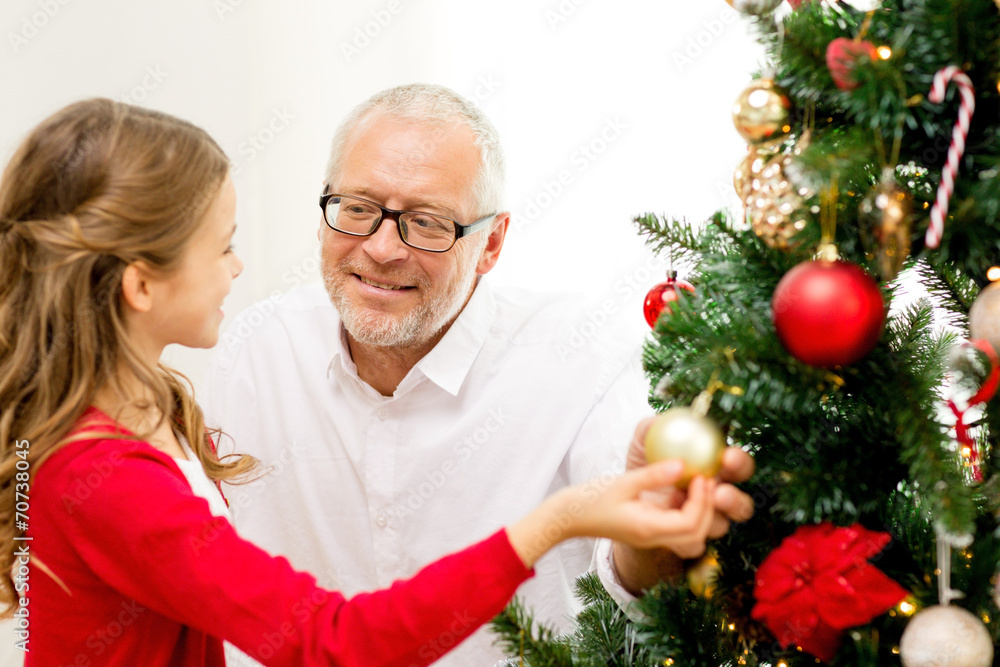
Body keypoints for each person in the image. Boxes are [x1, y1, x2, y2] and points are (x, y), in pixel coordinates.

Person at [0, 98, 738, 667]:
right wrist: (557, 519)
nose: (238, 268)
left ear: (493, 243)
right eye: (222, 246)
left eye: (425, 222)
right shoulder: (113, 460)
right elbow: (332, 639)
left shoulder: (140, 403)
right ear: (140, 285)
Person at [203, 83, 756, 666]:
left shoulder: (585, 356)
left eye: (427, 222)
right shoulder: (254, 353)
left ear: (491, 243)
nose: (384, 248)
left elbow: (638, 590)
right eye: (358, 210)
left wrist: (658, 521)